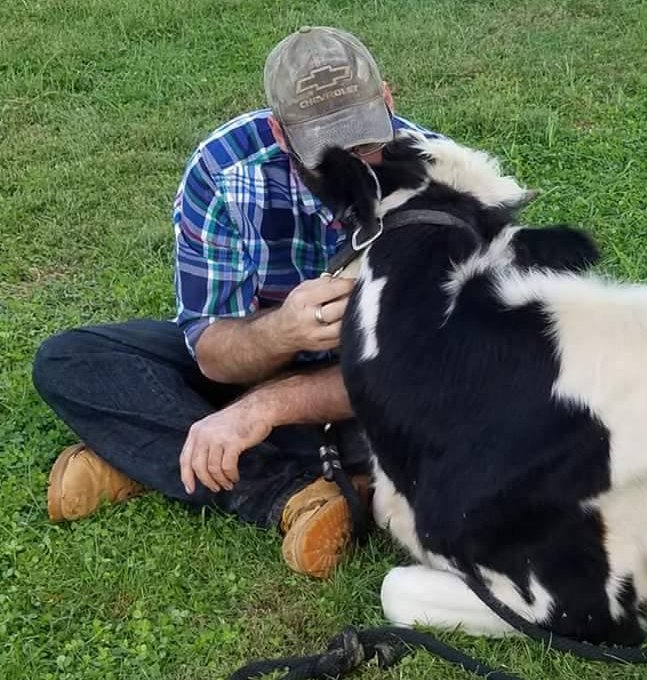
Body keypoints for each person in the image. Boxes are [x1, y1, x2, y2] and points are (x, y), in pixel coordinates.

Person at [32, 26, 439, 579]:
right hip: (257, 360)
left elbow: (419, 375)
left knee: (446, 431)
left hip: (374, 390)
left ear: (387, 101)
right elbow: (213, 350)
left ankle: (151, 453)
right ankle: (295, 490)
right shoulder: (223, 170)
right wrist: (285, 333)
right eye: (327, 153)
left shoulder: (438, 186)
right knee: (72, 360)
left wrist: (263, 409)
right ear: (280, 132)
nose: (355, 170)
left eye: (366, 141)